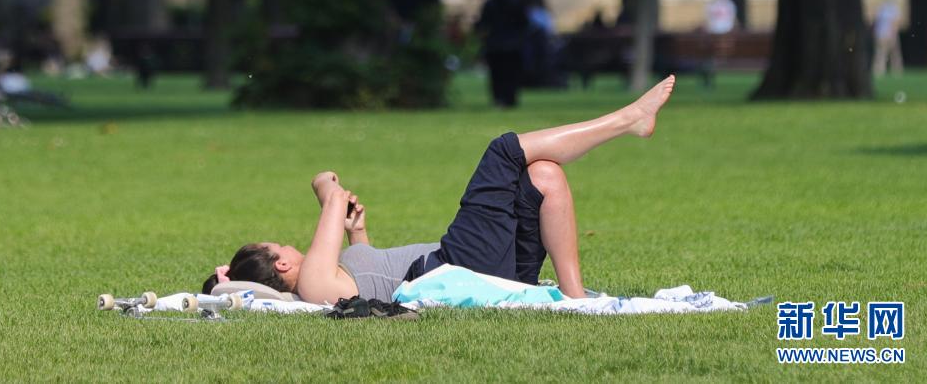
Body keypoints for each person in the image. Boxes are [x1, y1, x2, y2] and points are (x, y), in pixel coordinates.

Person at [203, 75, 677, 304]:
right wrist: (324, 186)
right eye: (279, 246)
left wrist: (358, 232)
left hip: (491, 267)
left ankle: (575, 299)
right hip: (461, 263)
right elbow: (328, 190)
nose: (288, 244)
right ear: (282, 263)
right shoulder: (312, 282)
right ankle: (627, 120)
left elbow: (375, 279)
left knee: (543, 176)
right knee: (503, 152)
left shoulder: (332, 278)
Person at [476, 0, 528, 107]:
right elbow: (524, 23)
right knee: (511, 74)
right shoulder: (515, 3)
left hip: (495, 45)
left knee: (497, 74)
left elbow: (482, 24)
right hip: (512, 45)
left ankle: (499, 98)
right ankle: (510, 98)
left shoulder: (490, 4)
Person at [872, 0, 903, 76]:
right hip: (886, 35)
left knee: (883, 53)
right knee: (889, 54)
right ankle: (894, 71)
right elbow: (895, 23)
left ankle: (880, 70)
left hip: (882, 35)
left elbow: (876, 24)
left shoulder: (882, 10)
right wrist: (894, 35)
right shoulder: (891, 10)